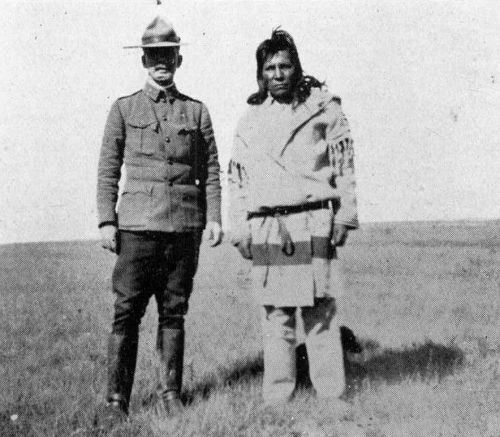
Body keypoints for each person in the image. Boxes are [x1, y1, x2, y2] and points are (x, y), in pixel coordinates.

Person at [96, 16, 222, 420]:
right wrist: (106, 220)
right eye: (154, 55)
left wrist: (214, 218)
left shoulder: (196, 112)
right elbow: (108, 168)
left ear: (179, 59)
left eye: (168, 54)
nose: (161, 62)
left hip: (184, 228)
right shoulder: (123, 108)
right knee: (126, 312)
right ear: (144, 60)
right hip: (137, 229)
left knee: (174, 311)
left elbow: (211, 170)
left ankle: (171, 394)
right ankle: (117, 401)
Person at [228, 29, 358, 405]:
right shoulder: (250, 120)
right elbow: (238, 179)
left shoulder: (323, 109)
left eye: (285, 66)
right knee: (277, 315)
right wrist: (240, 230)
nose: (278, 74)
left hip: (314, 220)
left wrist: (345, 215)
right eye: (270, 68)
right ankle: (277, 398)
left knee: (320, 312)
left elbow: (344, 166)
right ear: (261, 74)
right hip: (269, 227)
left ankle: (332, 395)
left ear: (296, 68)